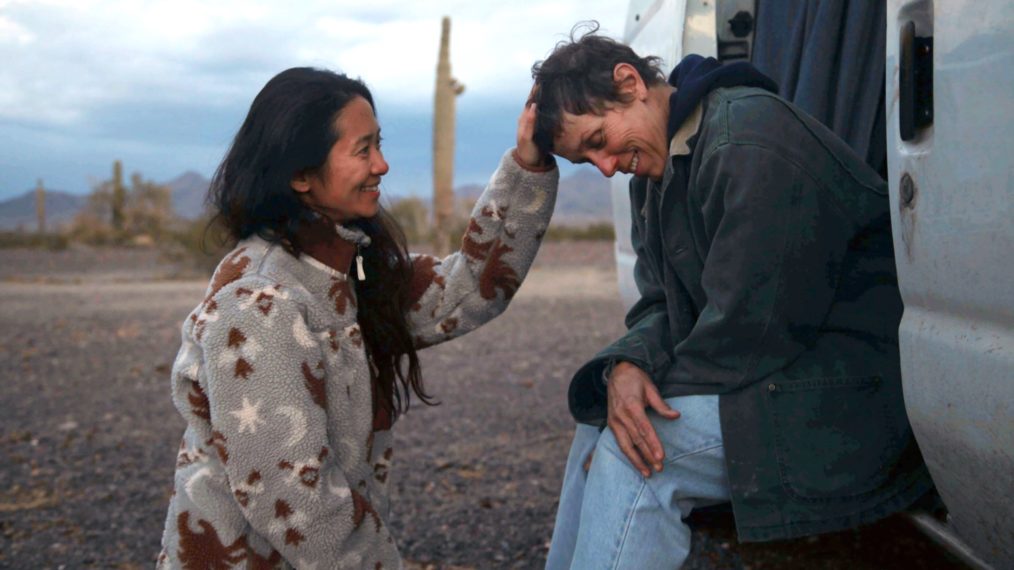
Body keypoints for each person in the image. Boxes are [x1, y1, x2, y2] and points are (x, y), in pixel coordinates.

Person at [532, 28, 934, 569]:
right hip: (781, 373)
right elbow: (659, 305)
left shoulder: (747, 138)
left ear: (629, 83)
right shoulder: (657, 169)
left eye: (599, 140)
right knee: (603, 421)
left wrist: (634, 399)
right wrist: (627, 366)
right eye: (588, 160)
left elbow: (752, 330)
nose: (606, 166)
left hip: (854, 393)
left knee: (636, 454)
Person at [156, 67, 557, 568]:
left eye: (379, 145)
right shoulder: (258, 303)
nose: (382, 165)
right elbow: (299, 504)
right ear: (300, 174)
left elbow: (467, 291)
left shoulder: (347, 272)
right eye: (363, 149)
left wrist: (528, 165)